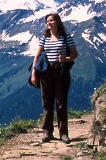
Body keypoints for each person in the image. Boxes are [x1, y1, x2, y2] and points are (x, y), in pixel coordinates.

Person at [30, 13, 78, 144]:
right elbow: (37, 56)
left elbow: (75, 54)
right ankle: (47, 132)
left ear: (57, 22)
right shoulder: (44, 38)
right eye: (47, 21)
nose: (49, 23)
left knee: (61, 104)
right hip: (46, 72)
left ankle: (64, 134)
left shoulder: (66, 37)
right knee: (47, 103)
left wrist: (66, 59)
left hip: (61, 71)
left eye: (51, 20)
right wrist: (34, 73)